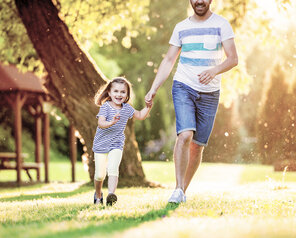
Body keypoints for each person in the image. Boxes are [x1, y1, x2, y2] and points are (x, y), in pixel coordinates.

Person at [145, 0, 238, 203]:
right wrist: (154, 88)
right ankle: (177, 188)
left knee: (197, 145)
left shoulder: (222, 25)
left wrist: (214, 71)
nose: (199, 1)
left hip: (210, 93)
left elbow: (233, 58)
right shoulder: (181, 28)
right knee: (185, 135)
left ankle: (182, 191)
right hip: (183, 86)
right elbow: (169, 60)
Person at [93, 77, 152, 206]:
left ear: (127, 95)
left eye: (123, 92)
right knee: (99, 175)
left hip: (116, 144)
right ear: (109, 92)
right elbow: (101, 123)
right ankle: (98, 195)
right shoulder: (105, 107)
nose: (119, 94)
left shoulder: (127, 109)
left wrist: (148, 107)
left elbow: (141, 115)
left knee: (113, 169)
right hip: (101, 144)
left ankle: (111, 195)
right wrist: (111, 122)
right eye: (116, 91)